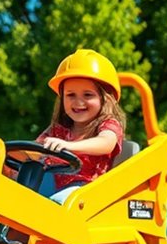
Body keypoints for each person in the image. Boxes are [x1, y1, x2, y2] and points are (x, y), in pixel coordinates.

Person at [36, 48, 126, 204]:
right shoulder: (57, 130)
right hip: (54, 188)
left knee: (55, 203)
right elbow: (35, 149)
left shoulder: (108, 125)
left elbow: (107, 143)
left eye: (88, 95)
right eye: (71, 95)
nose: (78, 102)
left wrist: (69, 146)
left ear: (105, 98)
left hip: (87, 194)